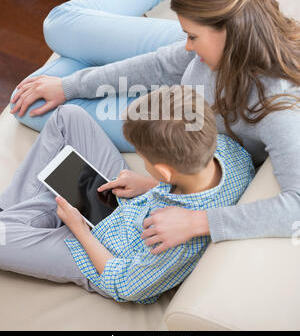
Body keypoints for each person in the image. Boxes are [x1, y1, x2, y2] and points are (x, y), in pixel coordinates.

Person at [8, 0, 300, 252]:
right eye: (187, 34)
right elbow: (159, 67)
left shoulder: (278, 108)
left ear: (230, 33)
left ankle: (112, 14)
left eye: (192, 36)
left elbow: (297, 206)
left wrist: (199, 221)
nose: (187, 45)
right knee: (59, 24)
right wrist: (69, 86)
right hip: (178, 90)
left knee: (27, 107)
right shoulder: (203, 50)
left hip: (171, 120)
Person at [0, 86, 255, 303]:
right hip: (131, 203)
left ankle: (24, 216)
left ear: (165, 170)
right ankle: (21, 212)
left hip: (102, 254)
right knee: (68, 116)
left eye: (141, 156)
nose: (139, 157)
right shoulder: (227, 149)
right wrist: (147, 183)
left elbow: (126, 285)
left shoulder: (173, 238)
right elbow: (193, 186)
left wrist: (80, 230)